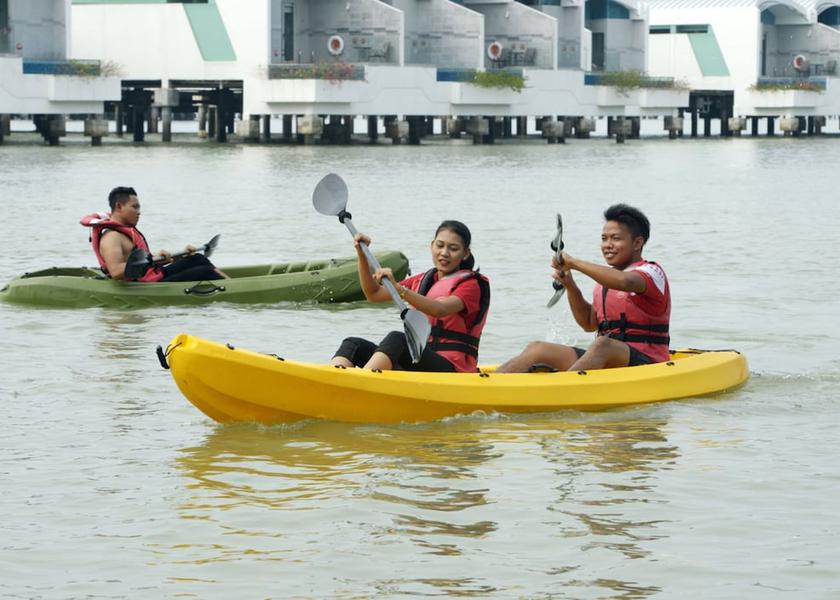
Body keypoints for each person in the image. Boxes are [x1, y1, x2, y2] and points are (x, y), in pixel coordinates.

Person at [497, 204, 670, 373]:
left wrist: (573, 263)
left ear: (637, 243)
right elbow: (588, 323)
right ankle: (494, 385)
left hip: (649, 363)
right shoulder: (606, 280)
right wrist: (571, 286)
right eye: (604, 239)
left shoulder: (651, 271)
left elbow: (626, 282)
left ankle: (560, 391)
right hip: (609, 356)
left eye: (616, 238)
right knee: (537, 349)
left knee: (603, 343)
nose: (607, 245)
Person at [332, 220, 490, 373]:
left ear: (465, 253)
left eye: (453, 248)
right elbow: (373, 294)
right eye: (440, 246)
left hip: (452, 368)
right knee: (353, 344)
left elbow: (440, 309)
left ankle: (362, 384)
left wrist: (400, 290)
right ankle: (335, 382)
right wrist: (362, 255)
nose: (444, 253)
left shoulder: (472, 285)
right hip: (419, 360)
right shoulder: (423, 280)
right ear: (432, 245)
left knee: (397, 339)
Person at [80, 186, 226, 282]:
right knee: (203, 271)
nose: (139, 212)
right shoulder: (112, 237)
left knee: (197, 259)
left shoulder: (125, 232)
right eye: (134, 207)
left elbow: (144, 263)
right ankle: (238, 289)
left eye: (139, 207)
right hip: (145, 286)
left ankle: (232, 284)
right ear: (118, 206)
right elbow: (116, 271)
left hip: (153, 276)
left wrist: (178, 257)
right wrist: (153, 260)